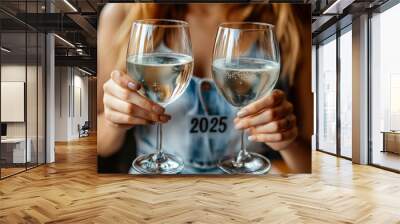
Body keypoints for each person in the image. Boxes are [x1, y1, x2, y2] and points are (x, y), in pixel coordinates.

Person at [97, 3, 312, 173]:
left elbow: (311, 164)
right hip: (156, 187)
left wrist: (287, 141)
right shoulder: (121, 14)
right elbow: (101, 145)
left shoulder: (291, 18)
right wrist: (113, 121)